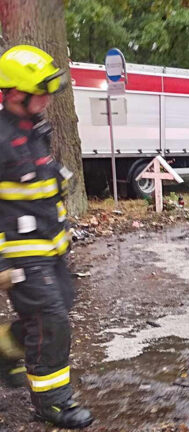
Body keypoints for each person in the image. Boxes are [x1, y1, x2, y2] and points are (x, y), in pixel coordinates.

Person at [0, 45, 93, 428]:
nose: (48, 97)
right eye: (41, 90)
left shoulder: (36, 127)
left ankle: (5, 352)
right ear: (17, 93)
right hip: (21, 255)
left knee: (59, 305)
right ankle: (52, 403)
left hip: (50, 247)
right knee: (51, 320)